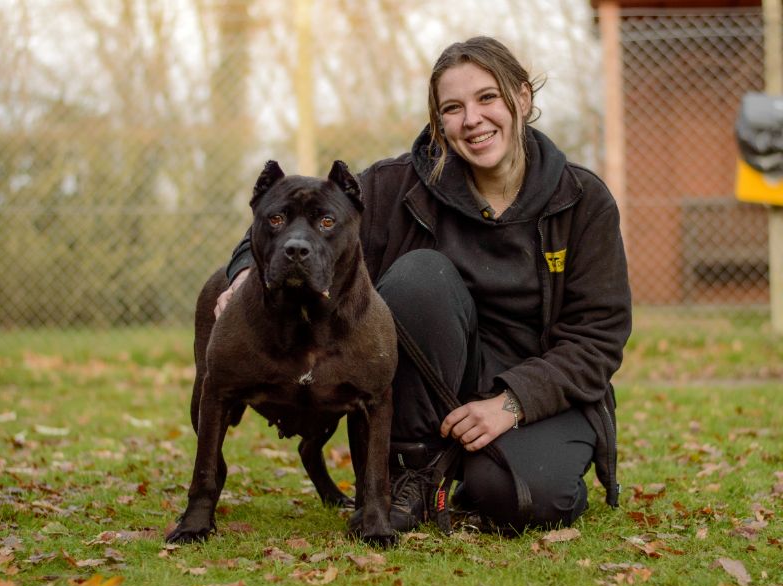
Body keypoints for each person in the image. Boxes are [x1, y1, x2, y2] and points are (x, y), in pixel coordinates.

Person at [217, 36, 631, 534]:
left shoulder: (582, 200)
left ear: (522, 98)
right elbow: (286, 224)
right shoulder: (395, 186)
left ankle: (472, 466)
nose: (472, 119)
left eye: (487, 98)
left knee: (527, 501)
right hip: (426, 388)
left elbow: (598, 338)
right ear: (439, 122)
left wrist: (512, 403)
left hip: (534, 387)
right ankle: (410, 468)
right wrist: (242, 273)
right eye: (452, 108)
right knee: (420, 277)